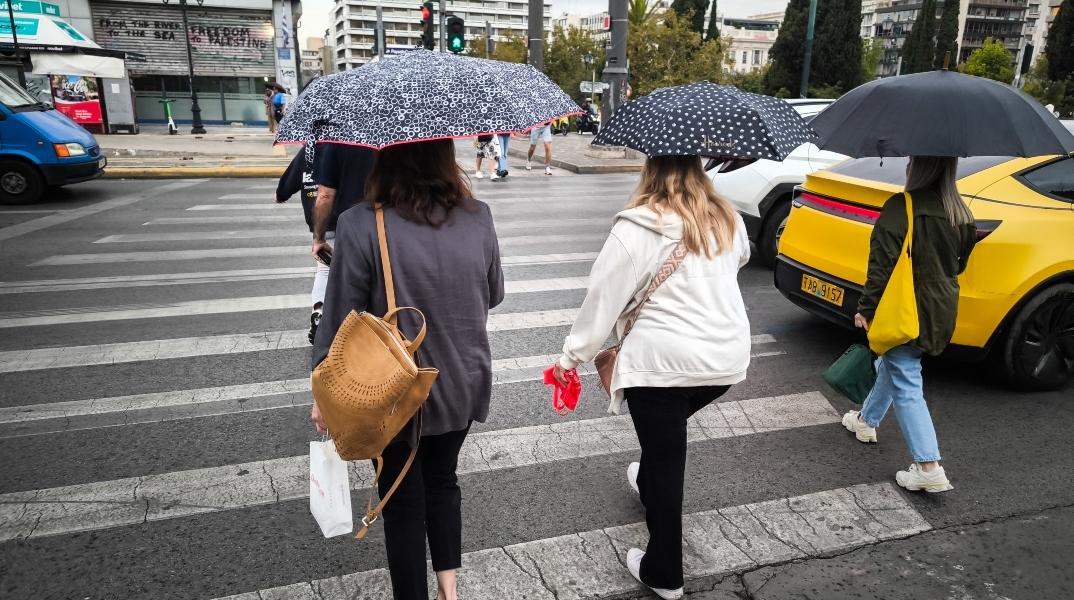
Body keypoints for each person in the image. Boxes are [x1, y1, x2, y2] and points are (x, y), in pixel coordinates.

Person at [549, 155, 751, 600]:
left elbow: (602, 299)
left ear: (651, 171)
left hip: (662, 363)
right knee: (664, 441)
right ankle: (646, 479)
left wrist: (570, 358)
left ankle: (663, 571)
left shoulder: (638, 227)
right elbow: (736, 265)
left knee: (666, 459)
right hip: (725, 360)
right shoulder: (726, 217)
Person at [311, 138, 505, 600]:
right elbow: (493, 293)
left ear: (384, 156)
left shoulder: (359, 223)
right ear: (445, 156)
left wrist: (322, 391)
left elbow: (340, 318)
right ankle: (449, 591)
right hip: (462, 381)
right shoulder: (478, 216)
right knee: (443, 482)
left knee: (400, 501)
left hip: (396, 393)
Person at [843, 156, 977, 493]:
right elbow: (959, 265)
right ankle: (865, 421)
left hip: (906, 306)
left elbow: (882, 264)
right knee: (898, 363)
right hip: (942, 306)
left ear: (917, 168)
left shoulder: (901, 205)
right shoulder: (961, 211)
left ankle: (928, 466)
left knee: (906, 380)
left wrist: (867, 308)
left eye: (911, 161)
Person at [309, 142, 376, 341]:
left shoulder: (339, 140)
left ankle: (340, 337)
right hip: (390, 225)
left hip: (350, 229)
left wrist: (319, 238)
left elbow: (324, 195)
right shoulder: (395, 136)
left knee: (351, 290)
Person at [275, 147, 328, 343]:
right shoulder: (345, 146)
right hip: (343, 218)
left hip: (317, 222)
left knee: (324, 271)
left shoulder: (308, 150)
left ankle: (319, 313)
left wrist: (281, 194)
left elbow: (290, 178)